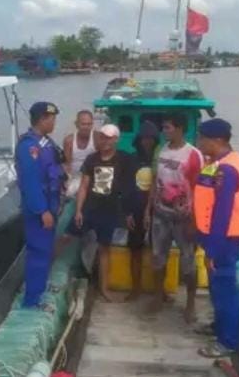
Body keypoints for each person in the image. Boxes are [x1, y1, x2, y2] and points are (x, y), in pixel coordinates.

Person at [194, 118, 239, 357]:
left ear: (218, 140)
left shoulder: (227, 170)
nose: (199, 142)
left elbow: (222, 212)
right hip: (214, 236)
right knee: (216, 286)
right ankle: (219, 326)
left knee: (224, 289)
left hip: (224, 239)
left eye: (203, 138)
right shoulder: (218, 163)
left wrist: (213, 249)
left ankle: (227, 341)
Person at [145, 113, 203, 322]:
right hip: (161, 214)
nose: (164, 131)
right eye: (164, 128)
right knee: (158, 257)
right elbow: (155, 181)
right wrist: (148, 210)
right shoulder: (161, 150)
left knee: (188, 261)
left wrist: (195, 220)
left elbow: (200, 189)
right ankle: (158, 296)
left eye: (168, 128)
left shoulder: (193, 154)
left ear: (179, 129)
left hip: (184, 218)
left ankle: (190, 304)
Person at [67, 124, 133, 302]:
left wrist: (128, 212)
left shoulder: (124, 159)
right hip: (90, 207)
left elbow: (128, 187)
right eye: (103, 137)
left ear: (116, 139)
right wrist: (79, 210)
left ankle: (104, 289)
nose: (105, 141)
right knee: (66, 237)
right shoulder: (91, 159)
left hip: (109, 210)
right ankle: (49, 270)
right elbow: (84, 186)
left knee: (105, 249)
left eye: (109, 138)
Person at [15, 101, 65, 308]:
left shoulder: (45, 142)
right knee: (38, 251)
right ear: (43, 119)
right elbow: (30, 183)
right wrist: (42, 210)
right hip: (39, 209)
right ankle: (32, 300)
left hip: (51, 203)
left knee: (46, 250)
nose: (54, 123)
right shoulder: (29, 146)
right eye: (52, 119)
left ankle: (41, 287)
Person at [125, 121, 160, 301]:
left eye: (151, 138)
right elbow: (126, 188)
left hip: (158, 209)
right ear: (138, 140)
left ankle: (159, 290)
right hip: (136, 208)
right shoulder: (131, 159)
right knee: (135, 250)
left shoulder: (160, 159)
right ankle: (135, 288)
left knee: (158, 250)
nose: (147, 142)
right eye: (144, 138)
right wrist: (127, 213)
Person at [63, 110, 98, 197]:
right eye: (83, 124)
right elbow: (67, 164)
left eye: (89, 124)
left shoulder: (97, 137)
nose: (86, 127)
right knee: (68, 193)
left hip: (94, 176)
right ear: (76, 124)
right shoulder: (69, 140)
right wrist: (66, 181)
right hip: (76, 177)